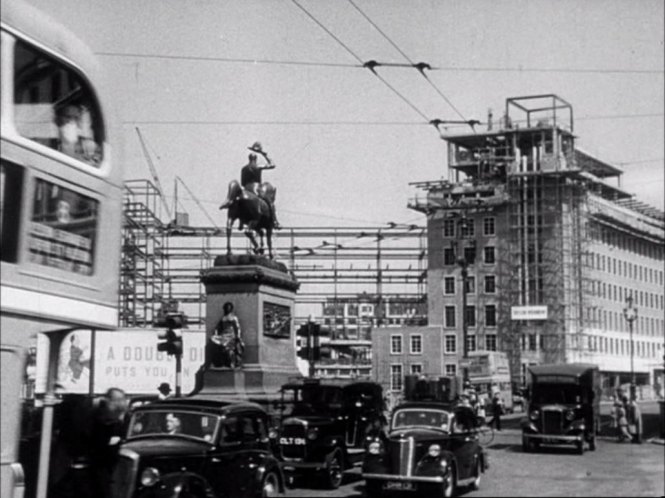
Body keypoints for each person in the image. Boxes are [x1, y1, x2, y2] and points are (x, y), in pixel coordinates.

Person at [219, 142, 280, 229]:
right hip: (257, 189)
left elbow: (242, 182)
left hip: (246, 189)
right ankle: (275, 221)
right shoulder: (258, 166)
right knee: (270, 203)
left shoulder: (244, 168)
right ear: (255, 159)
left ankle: (240, 221)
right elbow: (272, 165)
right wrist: (264, 154)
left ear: (249, 159)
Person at [90, 388, 128, 498]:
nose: (120, 402)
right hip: (105, 464)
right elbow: (97, 442)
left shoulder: (128, 416)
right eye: (117, 400)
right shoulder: (101, 419)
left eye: (122, 399)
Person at [205, 302, 244, 369]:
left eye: (228, 308)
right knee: (213, 339)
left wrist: (238, 336)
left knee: (226, 347)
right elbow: (218, 328)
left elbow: (237, 328)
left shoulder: (233, 318)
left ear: (231, 309)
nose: (226, 309)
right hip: (223, 336)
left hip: (231, 336)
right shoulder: (223, 318)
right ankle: (217, 362)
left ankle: (231, 362)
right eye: (226, 308)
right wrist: (216, 333)